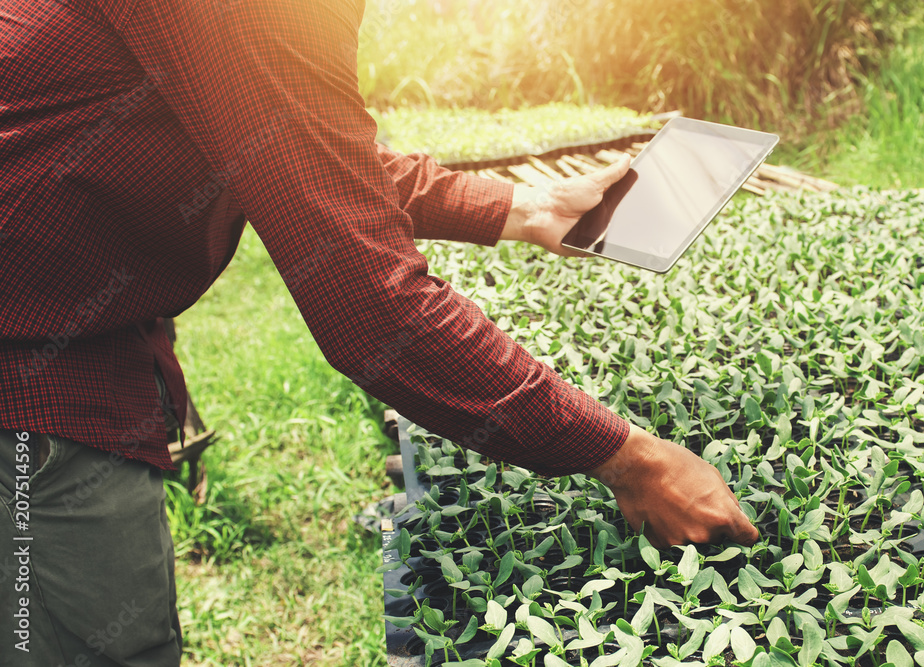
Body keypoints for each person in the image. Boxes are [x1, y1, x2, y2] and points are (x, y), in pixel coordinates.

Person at [0, 0, 758, 664]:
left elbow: (292, 146)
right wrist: (628, 457)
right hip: (30, 383)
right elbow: (374, 311)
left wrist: (522, 209)